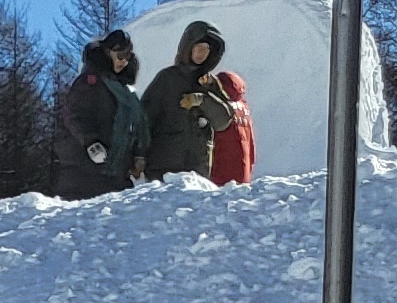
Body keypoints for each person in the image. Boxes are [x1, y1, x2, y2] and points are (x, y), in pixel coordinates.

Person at [144, 20, 256, 183]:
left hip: (198, 172)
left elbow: (223, 121)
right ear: (188, 47)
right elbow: (144, 119)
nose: (202, 54)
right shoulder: (167, 78)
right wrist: (138, 156)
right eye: (199, 48)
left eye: (207, 50)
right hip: (163, 171)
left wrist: (203, 100)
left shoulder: (209, 83)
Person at [55, 32, 146, 197]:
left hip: (117, 175)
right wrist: (90, 142)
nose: (123, 61)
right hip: (85, 174)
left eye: (127, 56)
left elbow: (134, 126)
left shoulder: (125, 90)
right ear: (107, 52)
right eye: (119, 56)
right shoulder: (90, 82)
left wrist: (137, 156)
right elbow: (74, 115)